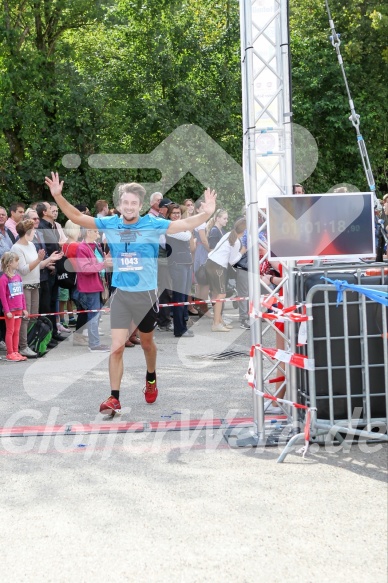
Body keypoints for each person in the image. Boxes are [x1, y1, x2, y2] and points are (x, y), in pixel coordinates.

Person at [44, 173, 216, 415]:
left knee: (147, 344)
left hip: (145, 296)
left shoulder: (152, 224)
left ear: (140, 205)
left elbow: (183, 225)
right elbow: (77, 216)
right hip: (121, 294)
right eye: (125, 202)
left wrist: (206, 213)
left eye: (133, 203)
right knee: (117, 347)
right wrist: (58, 196)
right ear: (120, 204)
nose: (129, 206)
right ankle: (114, 397)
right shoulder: (111, 223)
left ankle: (151, 377)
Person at [11, 219, 59, 357]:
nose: (34, 232)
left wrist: (50, 259)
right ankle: (23, 345)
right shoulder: (16, 248)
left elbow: (39, 265)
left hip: (35, 283)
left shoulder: (31, 245)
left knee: (33, 316)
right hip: (24, 285)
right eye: (32, 230)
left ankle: (30, 341)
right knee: (25, 317)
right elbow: (24, 269)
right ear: (27, 232)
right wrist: (39, 260)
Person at [205, 218, 247, 332]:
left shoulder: (229, 234)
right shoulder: (237, 242)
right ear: (244, 231)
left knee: (215, 293)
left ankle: (219, 320)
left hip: (210, 262)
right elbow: (232, 261)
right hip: (217, 266)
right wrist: (242, 251)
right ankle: (216, 324)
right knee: (221, 294)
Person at [75, 227, 112, 352]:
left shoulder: (96, 245)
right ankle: (94, 344)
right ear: (88, 232)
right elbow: (85, 269)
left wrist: (105, 261)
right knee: (94, 316)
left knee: (96, 315)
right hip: (90, 286)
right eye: (95, 231)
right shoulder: (82, 248)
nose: (98, 233)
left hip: (99, 284)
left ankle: (95, 343)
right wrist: (103, 264)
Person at [165, 204, 195, 338]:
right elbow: (187, 236)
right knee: (179, 297)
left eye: (178, 213)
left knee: (183, 297)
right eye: (174, 213)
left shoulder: (179, 227)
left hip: (185, 263)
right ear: (169, 215)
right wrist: (187, 228)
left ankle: (183, 326)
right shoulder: (171, 227)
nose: (176, 215)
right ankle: (179, 329)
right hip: (178, 264)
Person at [0, 251, 28, 361]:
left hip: (19, 309)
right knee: (10, 331)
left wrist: (24, 308)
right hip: (10, 311)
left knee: (17, 331)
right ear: (9, 263)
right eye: (16, 261)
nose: (18, 263)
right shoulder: (3, 279)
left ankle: (16, 351)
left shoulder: (18, 277)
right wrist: (7, 311)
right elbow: (2, 296)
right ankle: (10, 352)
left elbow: (22, 294)